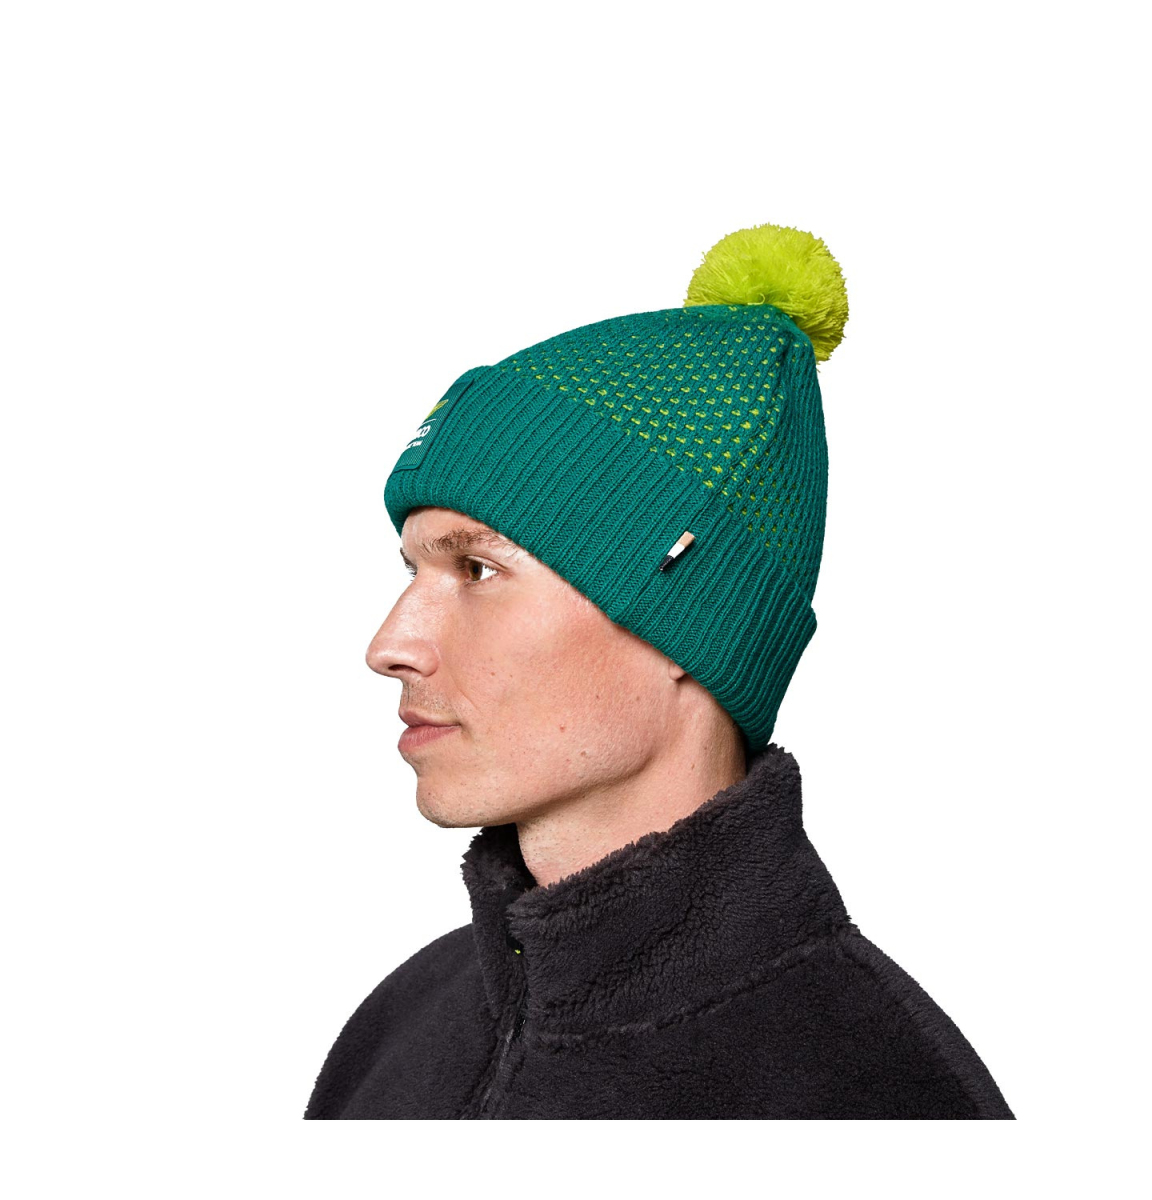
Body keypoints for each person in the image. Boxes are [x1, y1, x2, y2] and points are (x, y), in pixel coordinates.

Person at [303, 224, 1015, 1119]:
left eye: (477, 570)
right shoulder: (402, 1024)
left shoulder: (875, 1093)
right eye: (413, 571)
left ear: (689, 618)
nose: (390, 644)